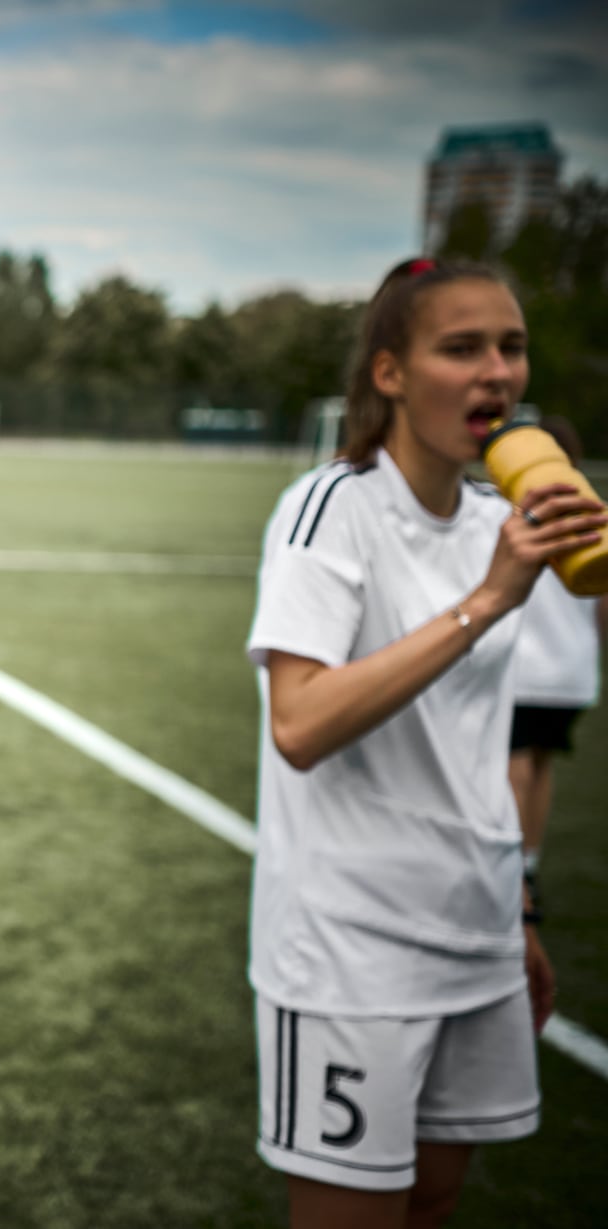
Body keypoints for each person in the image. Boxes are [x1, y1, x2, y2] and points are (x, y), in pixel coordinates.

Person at [244, 256, 605, 1228]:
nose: (495, 371)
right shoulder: (330, 509)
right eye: (460, 347)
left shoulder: (498, 517)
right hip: (350, 950)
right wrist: (484, 601)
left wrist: (516, 907)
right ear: (388, 372)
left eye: (509, 346)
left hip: (476, 932)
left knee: (433, 1202)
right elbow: (301, 723)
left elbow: (472, 743)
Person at [507, 415, 605, 909]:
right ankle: (528, 862)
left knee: (517, 772)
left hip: (522, 673)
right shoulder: (598, 518)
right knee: (540, 769)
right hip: (573, 675)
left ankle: (511, 877)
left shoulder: (510, 519)